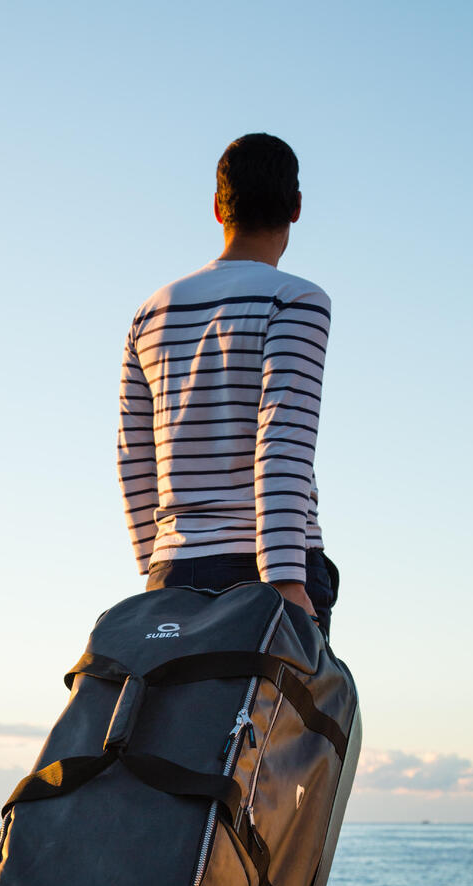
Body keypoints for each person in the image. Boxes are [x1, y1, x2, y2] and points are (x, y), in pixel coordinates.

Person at [117, 132, 339, 638]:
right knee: (283, 719)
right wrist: (285, 579)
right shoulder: (296, 300)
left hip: (175, 569)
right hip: (264, 567)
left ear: (219, 208)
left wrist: (154, 566)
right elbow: (283, 438)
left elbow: (134, 454)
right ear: (297, 208)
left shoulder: (151, 313)